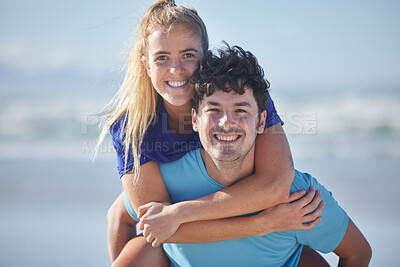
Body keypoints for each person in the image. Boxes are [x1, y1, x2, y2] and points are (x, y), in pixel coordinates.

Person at [96, 0, 327, 265]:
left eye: (188, 55)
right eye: (162, 57)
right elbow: (159, 226)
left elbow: (274, 186)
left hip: (199, 197)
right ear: (147, 65)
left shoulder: (239, 101)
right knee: (119, 216)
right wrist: (263, 224)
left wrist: (179, 212)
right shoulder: (132, 127)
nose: (176, 69)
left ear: (205, 59)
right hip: (174, 198)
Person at [122, 44, 372, 266]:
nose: (226, 122)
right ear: (195, 120)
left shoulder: (298, 198)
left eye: (241, 110)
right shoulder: (169, 179)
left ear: (262, 121)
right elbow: (120, 218)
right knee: (140, 250)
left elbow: (358, 253)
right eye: (214, 109)